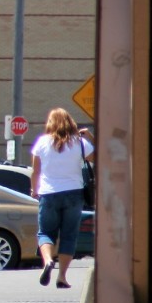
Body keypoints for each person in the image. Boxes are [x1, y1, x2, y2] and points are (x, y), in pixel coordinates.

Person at [29, 107, 95, 289]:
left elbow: (36, 171)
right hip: (74, 194)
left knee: (45, 233)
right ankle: (62, 277)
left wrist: (34, 190)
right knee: (69, 236)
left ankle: (48, 260)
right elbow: (102, 157)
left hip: (48, 194)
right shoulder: (80, 142)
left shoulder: (42, 142)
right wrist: (90, 136)